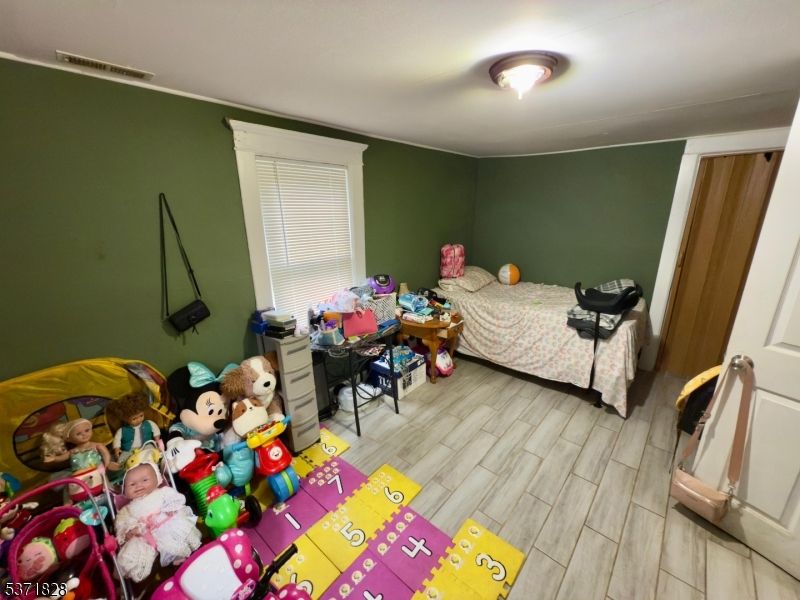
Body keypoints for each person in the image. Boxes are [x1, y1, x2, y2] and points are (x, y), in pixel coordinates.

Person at [114, 461, 201, 583]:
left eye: (145, 480)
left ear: (157, 479)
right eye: (132, 484)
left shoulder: (162, 492)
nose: (138, 485)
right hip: (143, 535)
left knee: (176, 536)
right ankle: (149, 577)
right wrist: (129, 530)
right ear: (125, 491)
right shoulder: (127, 509)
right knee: (130, 557)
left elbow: (176, 498)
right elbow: (122, 521)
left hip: (165, 524)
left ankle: (179, 559)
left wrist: (170, 509)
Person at [106, 393, 161, 468]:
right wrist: (117, 449)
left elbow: (156, 431)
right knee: (122, 460)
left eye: (141, 415)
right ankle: (122, 470)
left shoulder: (148, 423)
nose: (139, 419)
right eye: (134, 418)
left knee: (153, 453)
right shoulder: (122, 430)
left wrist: (157, 440)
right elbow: (117, 440)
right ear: (125, 418)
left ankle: (155, 466)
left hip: (146, 444)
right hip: (129, 449)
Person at [40, 418, 114, 471]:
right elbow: (62, 457)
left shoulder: (97, 445)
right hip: (79, 473)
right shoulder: (74, 451)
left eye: (87, 430)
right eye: (78, 434)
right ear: (69, 439)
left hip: (98, 470)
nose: (84, 435)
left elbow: (105, 454)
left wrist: (107, 463)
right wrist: (54, 458)